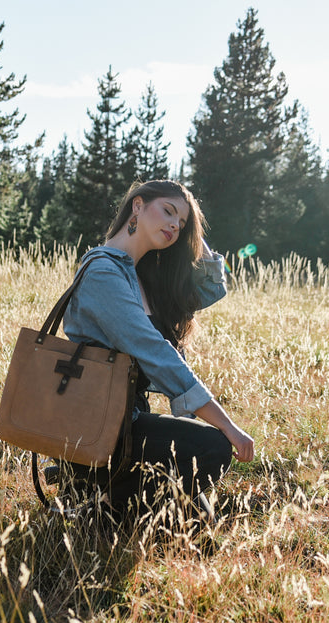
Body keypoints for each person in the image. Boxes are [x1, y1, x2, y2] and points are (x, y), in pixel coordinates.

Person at [59, 179, 255, 531]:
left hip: (129, 418)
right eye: (167, 211)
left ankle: (104, 498)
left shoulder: (142, 276)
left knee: (200, 529)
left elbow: (213, 286)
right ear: (137, 205)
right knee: (215, 447)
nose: (173, 226)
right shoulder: (104, 272)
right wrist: (226, 424)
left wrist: (190, 222)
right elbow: (156, 355)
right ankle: (93, 502)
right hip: (102, 426)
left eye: (180, 225)